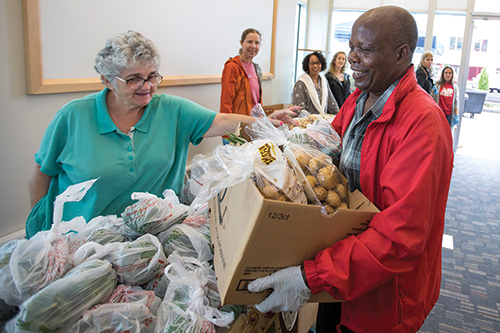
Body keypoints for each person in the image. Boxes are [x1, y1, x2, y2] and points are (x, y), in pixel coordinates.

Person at [248, 5, 454, 333]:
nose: (353, 58)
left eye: (366, 50)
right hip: (341, 273)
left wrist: (312, 276)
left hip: (383, 295)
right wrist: (286, 145)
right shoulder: (359, 97)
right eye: (352, 47)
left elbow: (400, 238)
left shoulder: (422, 123)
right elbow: (329, 153)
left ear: (401, 54)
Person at [26, 30, 297, 239]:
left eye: (153, 76)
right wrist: (44, 233)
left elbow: (223, 121)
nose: (147, 87)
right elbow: (42, 173)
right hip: (81, 241)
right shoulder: (73, 117)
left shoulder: (171, 109)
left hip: (150, 239)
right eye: (134, 79)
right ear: (107, 80)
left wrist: (265, 123)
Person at [220, 28, 263, 116]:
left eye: (257, 43)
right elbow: (226, 101)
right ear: (241, 43)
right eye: (249, 42)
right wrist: (226, 124)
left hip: (255, 122)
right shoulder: (232, 67)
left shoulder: (257, 69)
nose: (253, 46)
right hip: (239, 123)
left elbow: (257, 101)